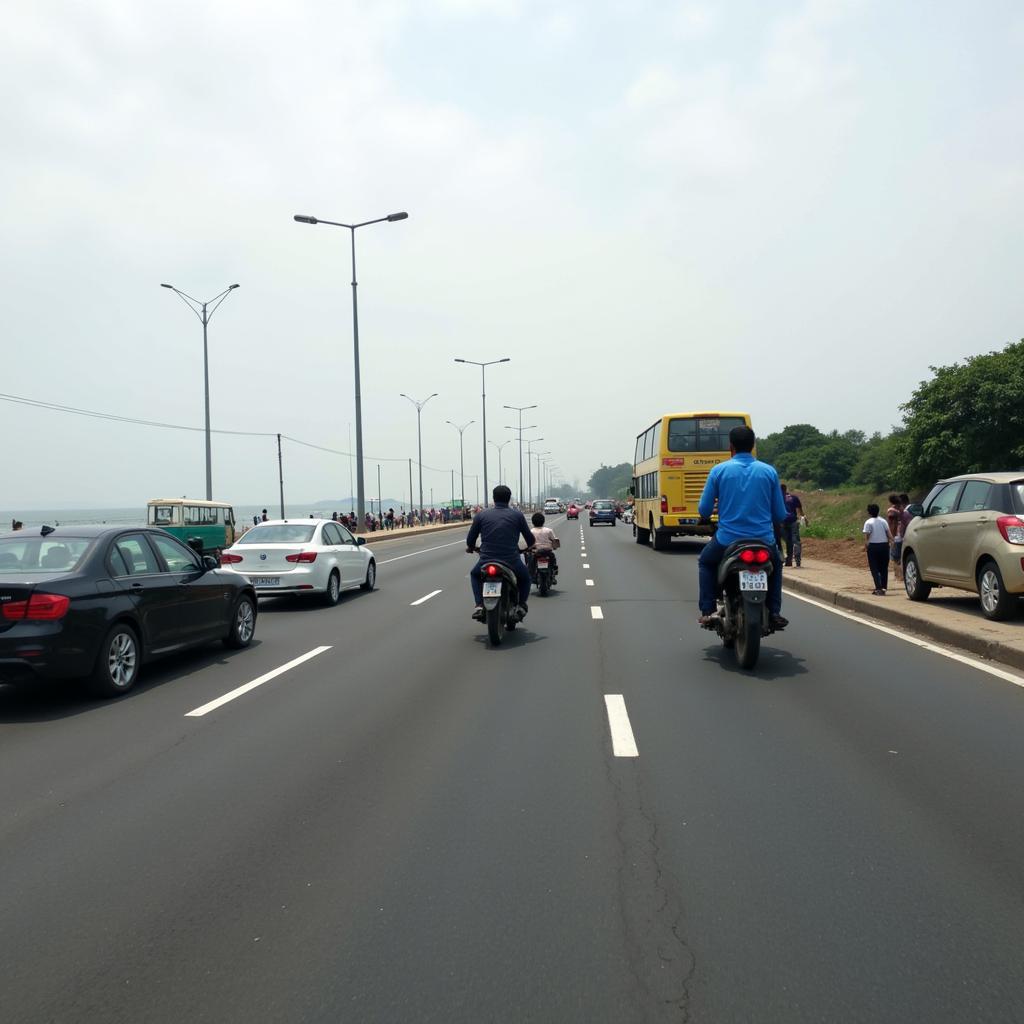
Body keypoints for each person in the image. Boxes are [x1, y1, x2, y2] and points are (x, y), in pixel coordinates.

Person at [696, 425, 788, 630]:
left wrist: (707, 516)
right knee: (777, 565)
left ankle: (708, 610)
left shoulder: (719, 471)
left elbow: (704, 509)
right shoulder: (769, 472)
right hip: (764, 540)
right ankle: (774, 611)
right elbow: (780, 514)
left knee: (705, 562)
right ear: (753, 445)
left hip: (727, 540)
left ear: (731, 447)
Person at [466, 485, 534, 622]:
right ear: (509, 499)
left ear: (493, 498)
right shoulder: (517, 515)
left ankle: (479, 605)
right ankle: (521, 605)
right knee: (526, 578)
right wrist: (528, 547)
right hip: (511, 560)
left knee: (474, 574)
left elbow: (470, 540)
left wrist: (472, 548)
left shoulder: (481, 515)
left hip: (486, 559)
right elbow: (530, 539)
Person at [863, 502, 893, 595]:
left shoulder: (868, 522)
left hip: (873, 547)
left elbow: (867, 536)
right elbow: (889, 533)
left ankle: (878, 588)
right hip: (884, 546)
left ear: (869, 512)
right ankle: (884, 588)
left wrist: (866, 545)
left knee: (874, 568)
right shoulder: (883, 521)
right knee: (884, 568)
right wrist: (892, 541)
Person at [779, 483, 805, 567]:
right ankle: (797, 560)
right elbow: (800, 510)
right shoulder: (794, 498)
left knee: (787, 541)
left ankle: (787, 560)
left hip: (782, 522)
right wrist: (804, 518)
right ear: (786, 489)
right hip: (793, 521)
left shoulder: (778, 498)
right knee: (796, 540)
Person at [528, 511, 560, 578]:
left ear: (533, 522)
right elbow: (554, 540)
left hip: (536, 552)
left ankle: (531, 575)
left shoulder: (531, 531)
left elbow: (528, 543)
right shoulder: (548, 530)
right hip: (547, 551)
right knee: (553, 561)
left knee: (531, 564)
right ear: (543, 521)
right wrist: (555, 547)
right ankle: (554, 571)